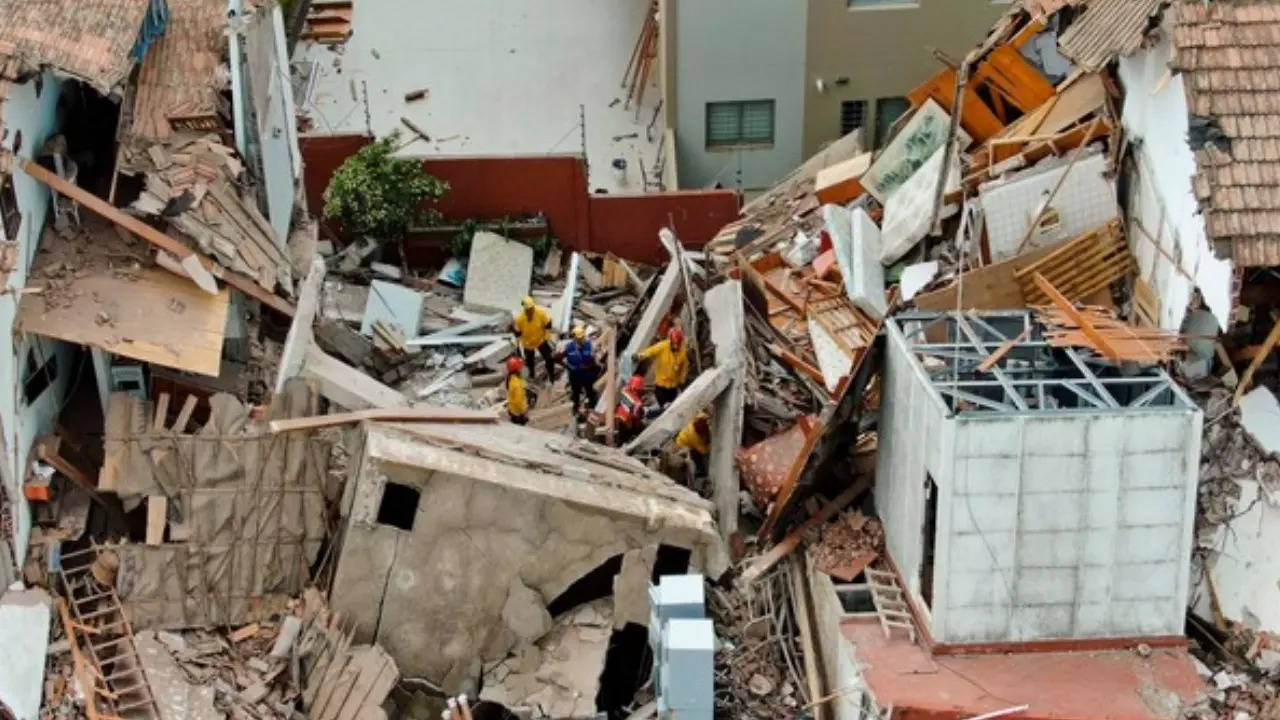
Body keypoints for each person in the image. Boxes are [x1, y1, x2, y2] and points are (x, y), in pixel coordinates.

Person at [635, 327, 690, 409]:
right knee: (662, 405)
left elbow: (684, 367)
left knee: (671, 406)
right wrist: (639, 356)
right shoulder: (663, 346)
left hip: (673, 386)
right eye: (674, 344)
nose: (675, 347)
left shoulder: (683, 352)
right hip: (661, 384)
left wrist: (682, 380)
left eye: (677, 345)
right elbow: (651, 351)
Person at [557, 325, 600, 418]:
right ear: (575, 338)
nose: (580, 340)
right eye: (578, 338)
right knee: (575, 392)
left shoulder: (589, 346)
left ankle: (593, 407)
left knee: (590, 391)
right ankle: (575, 409)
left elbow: (594, 362)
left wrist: (589, 367)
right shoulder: (569, 347)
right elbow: (558, 358)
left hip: (586, 374)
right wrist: (567, 366)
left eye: (582, 338)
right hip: (574, 375)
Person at [511, 296, 557, 383]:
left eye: (532, 308)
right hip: (528, 344)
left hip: (541, 340)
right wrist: (518, 349)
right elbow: (517, 334)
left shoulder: (540, 313)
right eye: (528, 309)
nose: (530, 311)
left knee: (549, 359)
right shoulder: (520, 319)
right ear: (525, 309)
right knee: (530, 362)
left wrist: (548, 336)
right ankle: (532, 375)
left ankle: (551, 376)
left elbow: (548, 323)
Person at [675, 410, 711, 477]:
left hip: (683, 437)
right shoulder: (694, 436)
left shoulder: (699, 419)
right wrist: (710, 445)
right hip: (683, 445)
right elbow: (704, 451)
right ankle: (701, 471)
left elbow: (702, 415)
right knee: (697, 456)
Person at [615, 374, 648, 444]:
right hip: (627, 425)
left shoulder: (624, 390)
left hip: (618, 418)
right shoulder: (638, 404)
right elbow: (637, 418)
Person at [505, 356, 529, 425]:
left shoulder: (511, 379)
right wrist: (524, 412)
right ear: (517, 370)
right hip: (518, 413)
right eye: (520, 368)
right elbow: (518, 401)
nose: (522, 369)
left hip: (513, 411)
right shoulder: (517, 384)